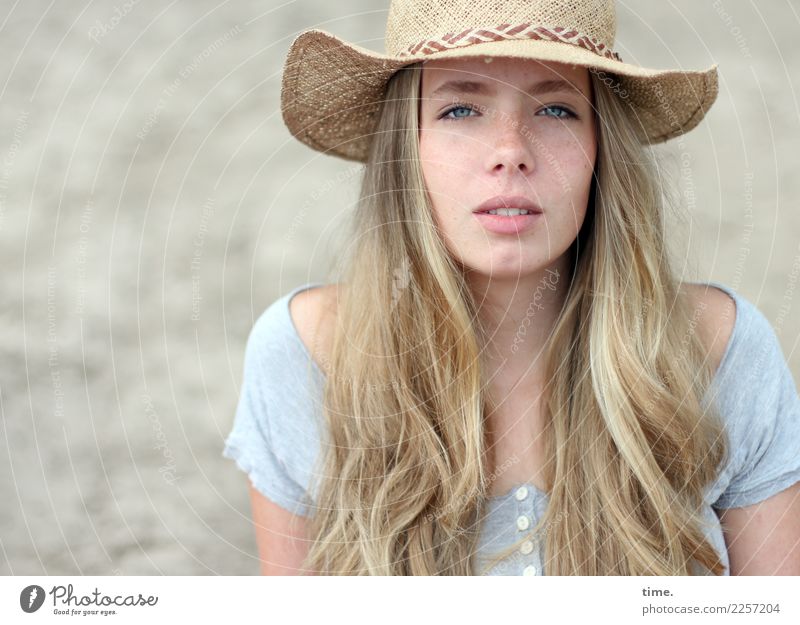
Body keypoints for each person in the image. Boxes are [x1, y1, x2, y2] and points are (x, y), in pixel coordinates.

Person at [223, 0, 800, 575]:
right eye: (459, 110)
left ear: (603, 148)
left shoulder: (722, 351)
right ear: (408, 149)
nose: (510, 153)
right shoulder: (305, 357)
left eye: (554, 108)